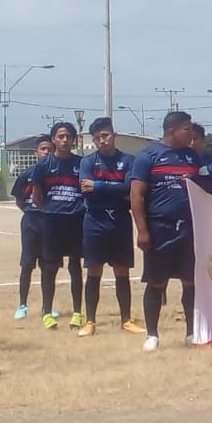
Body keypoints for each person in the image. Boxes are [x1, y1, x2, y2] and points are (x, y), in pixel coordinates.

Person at [129, 111, 201, 351]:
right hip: (159, 227)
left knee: (190, 281)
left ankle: (191, 332)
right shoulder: (148, 156)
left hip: (188, 228)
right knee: (156, 282)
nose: (191, 134)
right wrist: (142, 230)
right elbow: (136, 195)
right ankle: (152, 334)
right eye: (187, 129)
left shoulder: (192, 157)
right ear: (172, 130)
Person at [78, 118, 143, 337]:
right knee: (94, 270)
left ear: (114, 135)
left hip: (120, 220)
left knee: (122, 270)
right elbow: (85, 190)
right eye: (97, 138)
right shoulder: (88, 162)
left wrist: (98, 185)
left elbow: (129, 188)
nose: (102, 141)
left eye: (105, 135)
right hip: (94, 221)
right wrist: (115, 189)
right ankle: (90, 321)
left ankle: (126, 319)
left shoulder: (128, 160)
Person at [32, 122, 86, 331]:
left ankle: (77, 312)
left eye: (68, 137)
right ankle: (47, 312)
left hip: (75, 220)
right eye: (60, 136)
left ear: (74, 140)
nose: (65, 140)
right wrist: (50, 209)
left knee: (75, 265)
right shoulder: (43, 165)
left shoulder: (81, 164)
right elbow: (37, 196)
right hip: (52, 221)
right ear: (53, 139)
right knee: (50, 267)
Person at [10, 135, 53, 320]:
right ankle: (22, 305)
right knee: (27, 264)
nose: (47, 152)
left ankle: (47, 307)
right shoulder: (26, 175)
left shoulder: (56, 175)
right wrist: (31, 212)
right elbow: (19, 201)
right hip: (31, 221)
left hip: (50, 222)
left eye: (50, 149)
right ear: (36, 152)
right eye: (43, 149)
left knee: (48, 265)